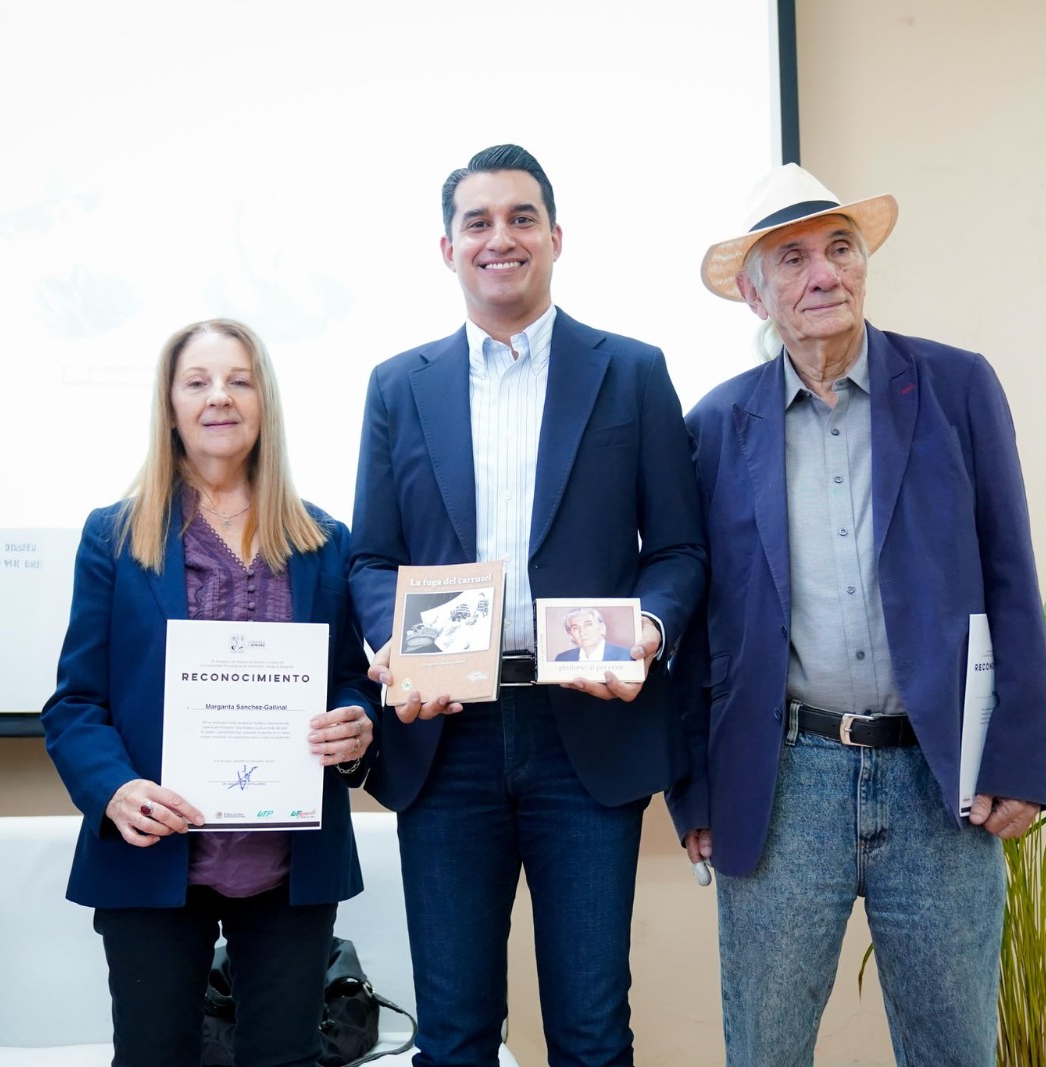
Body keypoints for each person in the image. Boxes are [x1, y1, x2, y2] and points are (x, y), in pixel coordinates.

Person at [667, 164, 1046, 1066]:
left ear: (864, 265)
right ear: (753, 292)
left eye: (840, 248)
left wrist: (1019, 759)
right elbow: (701, 628)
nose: (823, 274)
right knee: (765, 1049)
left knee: (954, 1047)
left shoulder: (957, 387)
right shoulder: (717, 425)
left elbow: (1010, 571)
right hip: (782, 777)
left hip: (938, 779)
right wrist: (693, 786)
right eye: (792, 258)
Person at [349, 144, 705, 1067]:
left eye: (520, 218)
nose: (499, 238)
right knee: (456, 1031)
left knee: (590, 1028)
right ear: (447, 247)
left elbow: (676, 548)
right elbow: (372, 557)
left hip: (581, 730)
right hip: (445, 732)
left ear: (555, 237)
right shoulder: (399, 385)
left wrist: (650, 630)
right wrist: (391, 639)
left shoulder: (630, 371)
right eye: (478, 222)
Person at [42, 318, 379, 1067]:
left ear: (266, 403)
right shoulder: (113, 536)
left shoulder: (325, 541)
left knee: (284, 1059)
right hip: (155, 857)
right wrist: (116, 788)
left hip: (288, 863)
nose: (218, 397)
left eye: (240, 379)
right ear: (169, 405)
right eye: (197, 381)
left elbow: (351, 679)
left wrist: (358, 720)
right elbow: (74, 705)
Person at [553, 607, 630, 662]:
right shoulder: (562, 659)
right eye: (575, 628)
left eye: (588, 625)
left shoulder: (626, 656)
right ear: (571, 636)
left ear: (602, 628)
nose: (582, 632)